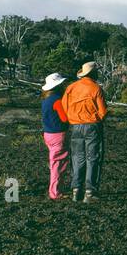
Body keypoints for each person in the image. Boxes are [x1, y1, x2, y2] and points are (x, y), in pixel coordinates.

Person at [62, 61, 107, 202]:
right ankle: (90, 192)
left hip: (75, 126)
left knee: (77, 158)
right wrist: (95, 119)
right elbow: (103, 112)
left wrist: (72, 119)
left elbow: (64, 106)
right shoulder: (96, 88)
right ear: (93, 73)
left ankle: (76, 190)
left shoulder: (71, 88)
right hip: (92, 126)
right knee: (93, 158)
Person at [40, 73, 70, 200]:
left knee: (55, 163)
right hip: (58, 134)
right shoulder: (57, 100)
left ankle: (56, 190)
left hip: (48, 134)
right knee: (58, 165)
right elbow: (64, 118)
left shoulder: (45, 100)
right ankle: (55, 193)